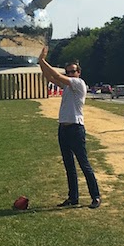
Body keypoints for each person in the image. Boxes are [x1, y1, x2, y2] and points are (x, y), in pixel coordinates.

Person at [38, 47, 102, 209]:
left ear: (78, 73)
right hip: (64, 129)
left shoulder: (79, 84)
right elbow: (50, 77)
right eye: (68, 72)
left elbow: (57, 76)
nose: (70, 74)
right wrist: (41, 63)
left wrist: (43, 61)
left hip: (75, 129)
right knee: (69, 166)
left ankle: (95, 196)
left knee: (84, 164)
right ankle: (73, 198)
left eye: (72, 71)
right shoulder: (68, 87)